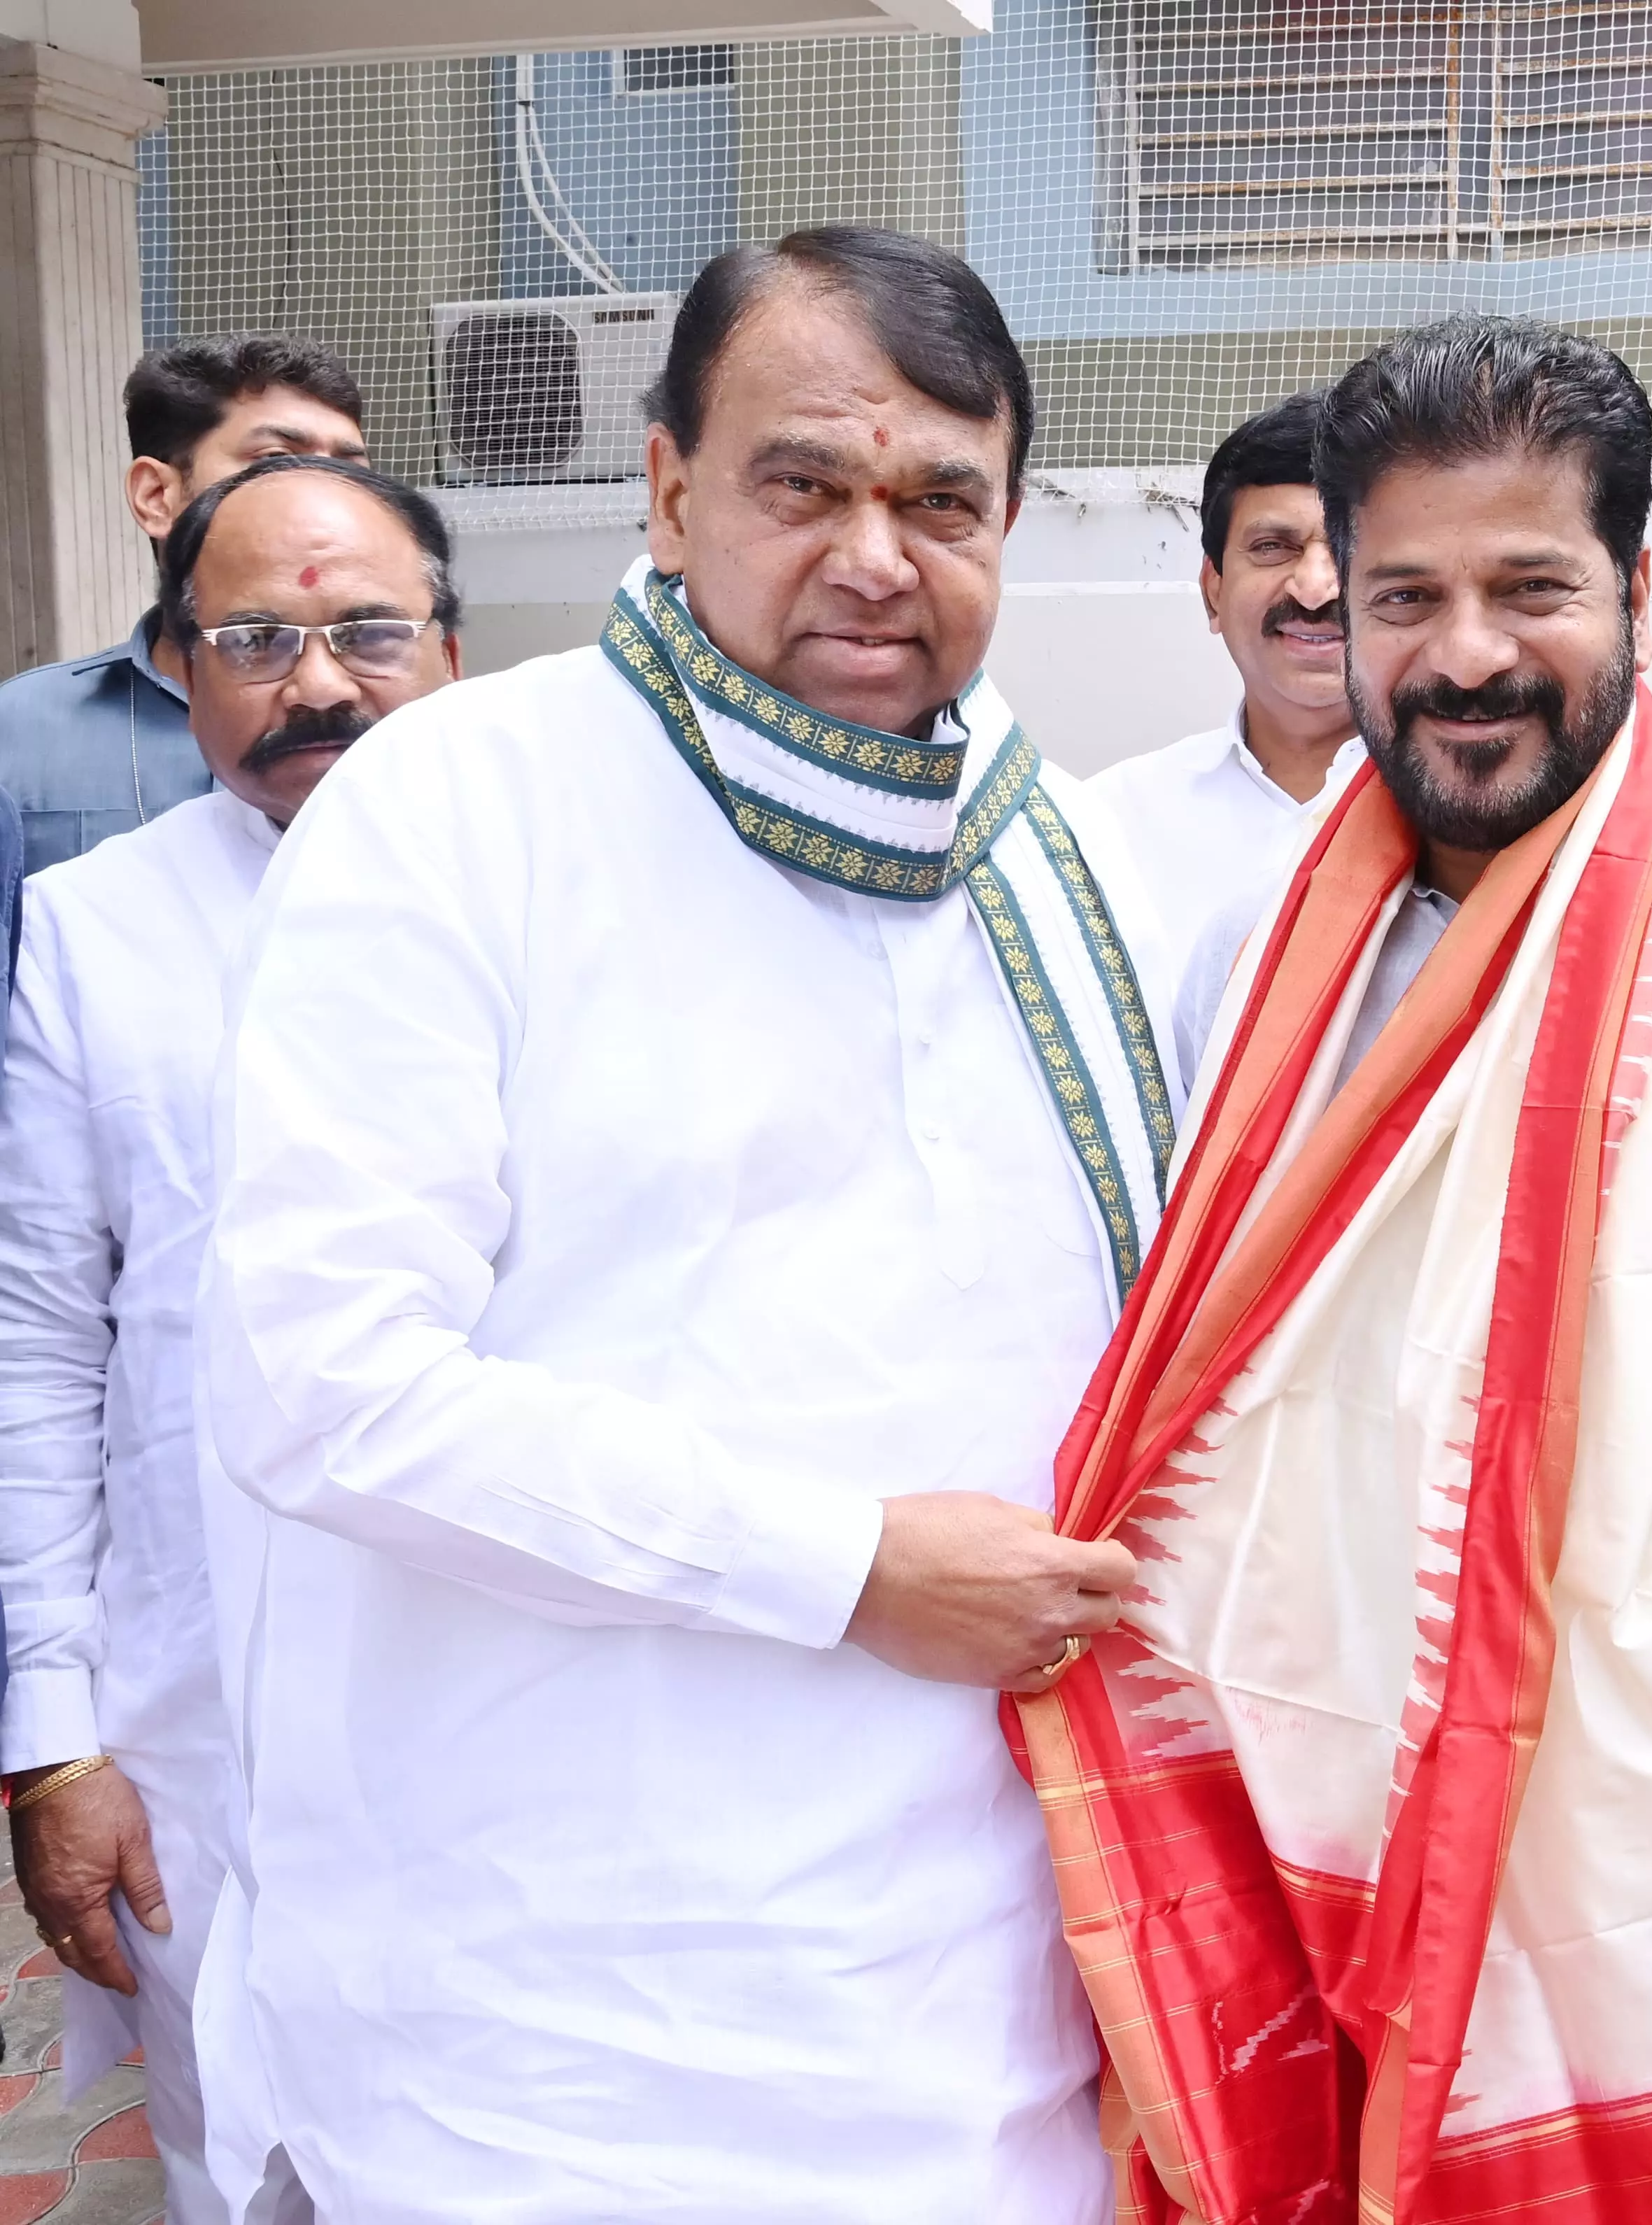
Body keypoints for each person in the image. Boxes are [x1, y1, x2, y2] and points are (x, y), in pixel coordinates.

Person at [192, 227, 1176, 2222]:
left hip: (976, 2030)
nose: (877, 555)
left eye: (942, 499)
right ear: (668, 487)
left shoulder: (1062, 861)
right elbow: (325, 1388)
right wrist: (844, 1562)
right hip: (552, 2052)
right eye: (804, 483)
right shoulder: (461, 809)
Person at [1009, 316, 1652, 2225]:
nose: (1465, 653)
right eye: (1408, 594)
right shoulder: (1256, 973)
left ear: (1634, 592)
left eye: (1528, 585)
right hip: (1338, 1904)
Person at [0, 454, 460, 2222]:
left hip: (504, 1702)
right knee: (243, 2167)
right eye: (256, 638)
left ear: (448, 650)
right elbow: (42, 1347)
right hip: (201, 1721)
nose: (319, 682)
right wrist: (57, 1737)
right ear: (176, 666)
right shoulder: (97, 930)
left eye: (367, 632)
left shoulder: (582, 911)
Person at [0, 337, 367, 874]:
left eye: (351, 468)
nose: (327, 494)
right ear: (157, 496)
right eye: (276, 462)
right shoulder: (20, 731)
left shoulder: (424, 727)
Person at [1087, 391, 1362, 966]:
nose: (1314, 589)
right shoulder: (1104, 826)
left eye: (1348, 548)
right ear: (1213, 592)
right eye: (1272, 548)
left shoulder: (1475, 810)